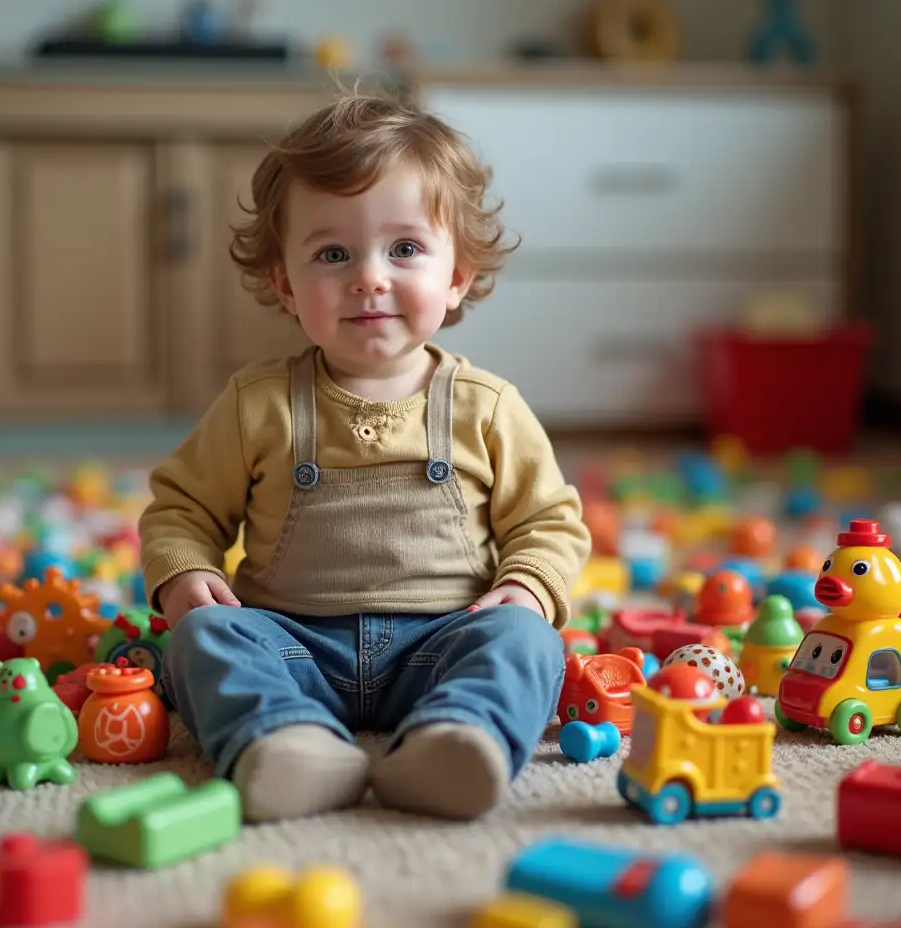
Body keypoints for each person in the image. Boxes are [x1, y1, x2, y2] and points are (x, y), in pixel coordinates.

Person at [138, 89, 591, 823]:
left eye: (405, 248)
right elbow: (182, 510)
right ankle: (284, 742)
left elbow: (550, 521)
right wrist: (184, 571)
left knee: (526, 642)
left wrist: (532, 586)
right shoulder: (259, 403)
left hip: (446, 638)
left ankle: (460, 738)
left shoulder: (487, 406)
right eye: (333, 253)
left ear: (457, 276)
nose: (369, 277)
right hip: (290, 641)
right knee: (203, 640)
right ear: (286, 283)